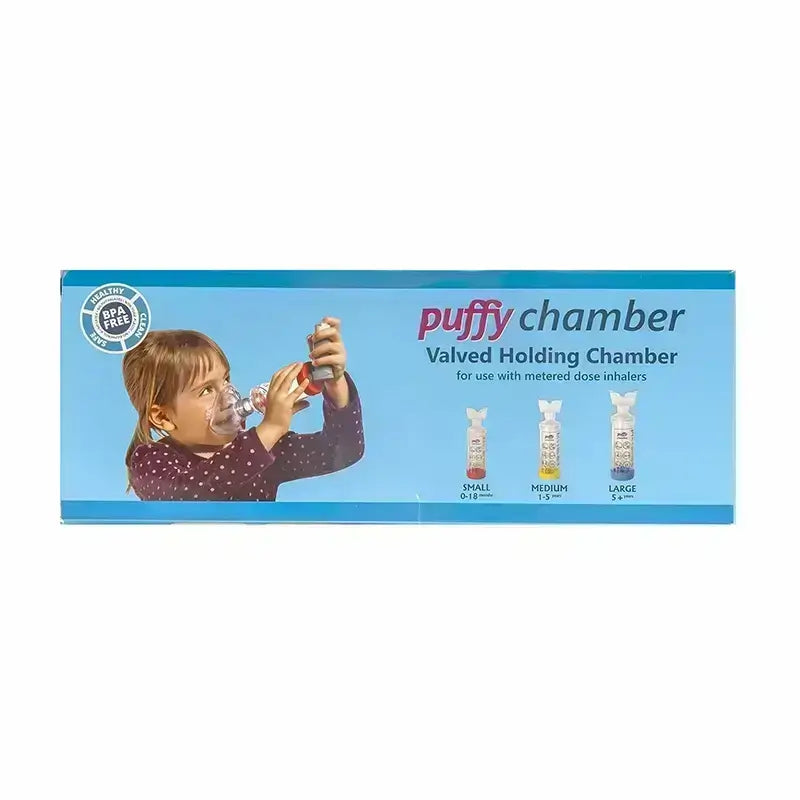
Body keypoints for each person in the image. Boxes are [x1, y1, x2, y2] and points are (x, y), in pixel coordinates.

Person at [121, 318, 364, 500]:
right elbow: (191, 492)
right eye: (206, 390)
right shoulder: (150, 461)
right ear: (163, 416)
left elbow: (343, 450)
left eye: (226, 380)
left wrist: (334, 383)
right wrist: (270, 429)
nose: (228, 394)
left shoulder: (266, 450)